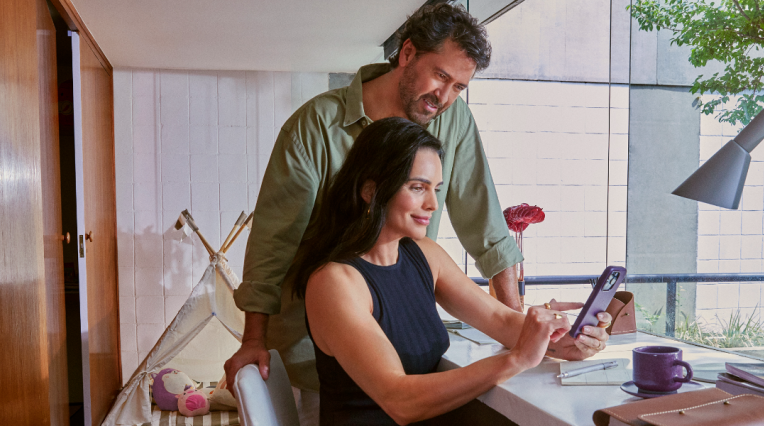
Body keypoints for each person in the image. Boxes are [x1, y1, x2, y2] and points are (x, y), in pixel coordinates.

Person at [226, 4, 608, 423]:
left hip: (399, 329)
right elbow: (272, 241)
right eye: (441, 76)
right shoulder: (316, 128)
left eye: (459, 86)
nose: (445, 97)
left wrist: (550, 336)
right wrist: (253, 337)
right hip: (320, 344)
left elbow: (484, 223)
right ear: (406, 53)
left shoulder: (424, 243)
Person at [291, 117, 610, 424]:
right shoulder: (334, 282)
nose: (432, 203)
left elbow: (500, 320)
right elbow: (399, 400)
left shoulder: (424, 255)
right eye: (418, 187)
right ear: (371, 191)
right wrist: (516, 359)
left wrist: (561, 341)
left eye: (436, 189)